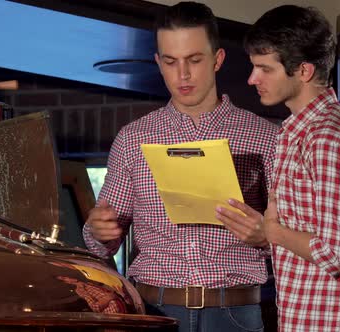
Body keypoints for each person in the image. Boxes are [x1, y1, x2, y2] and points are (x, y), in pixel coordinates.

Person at [83, 2, 278, 331]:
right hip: (153, 310)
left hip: (234, 312)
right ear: (159, 63)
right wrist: (98, 230)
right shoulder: (133, 139)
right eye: (171, 62)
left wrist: (265, 236)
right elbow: (99, 241)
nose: (182, 75)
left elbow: (298, 243)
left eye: (194, 60)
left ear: (217, 60)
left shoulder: (266, 137)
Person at [244, 5, 340, 331]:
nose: (252, 78)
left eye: (264, 69)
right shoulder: (299, 131)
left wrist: (273, 232)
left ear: (304, 71)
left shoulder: (328, 137)